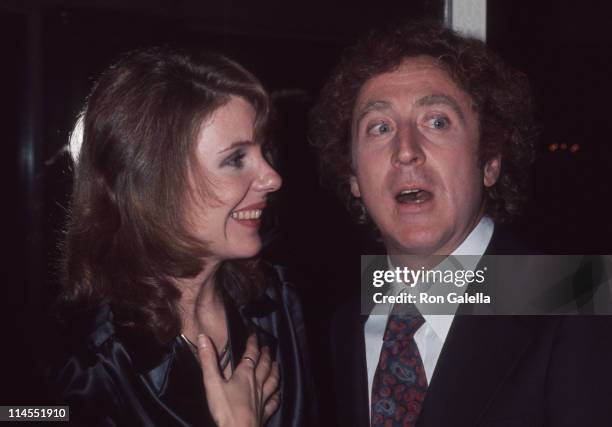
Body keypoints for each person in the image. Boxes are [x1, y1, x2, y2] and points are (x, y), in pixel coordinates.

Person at [310, 21, 612, 426]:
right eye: (379, 127)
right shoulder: (346, 326)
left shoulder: (579, 299)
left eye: (436, 121)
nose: (405, 151)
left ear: (489, 160)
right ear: (354, 178)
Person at [48, 47, 313, 426]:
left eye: (263, 150)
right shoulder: (91, 360)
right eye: (236, 159)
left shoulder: (278, 301)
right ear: (158, 184)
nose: (273, 178)